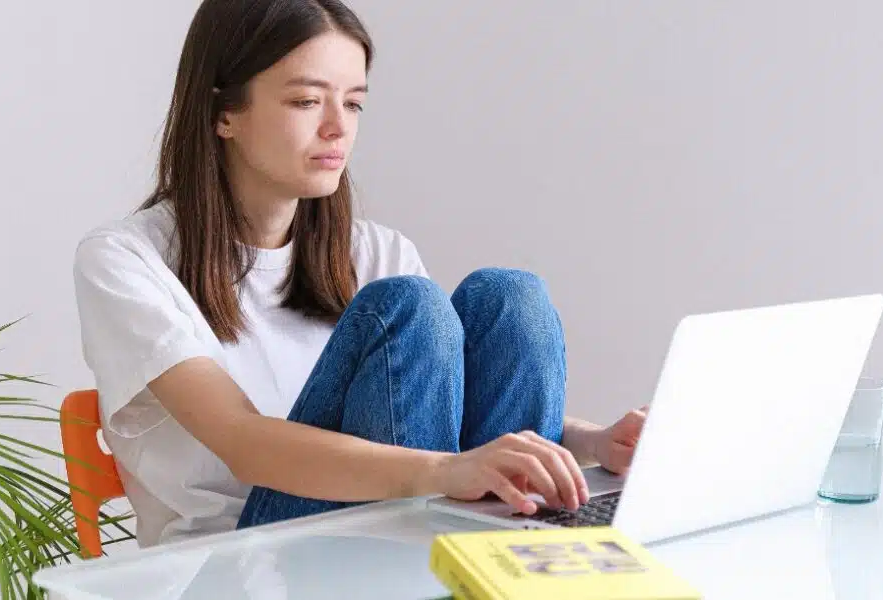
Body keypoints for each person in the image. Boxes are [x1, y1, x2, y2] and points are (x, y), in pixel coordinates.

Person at [72, 0, 648, 548]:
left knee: (510, 297)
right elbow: (243, 443)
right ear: (224, 112)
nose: (337, 129)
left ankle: (501, 561)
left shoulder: (375, 251)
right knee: (409, 306)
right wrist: (450, 470)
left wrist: (594, 443)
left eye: (353, 104)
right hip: (242, 559)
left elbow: (456, 409)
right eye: (305, 102)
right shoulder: (125, 259)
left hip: (408, 532)